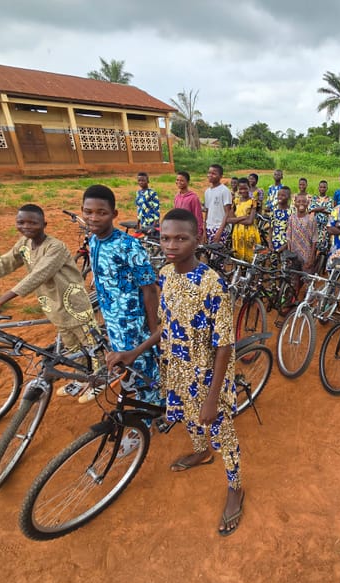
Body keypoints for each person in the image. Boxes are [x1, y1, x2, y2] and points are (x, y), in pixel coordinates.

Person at [106, 208, 244, 536]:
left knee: (221, 431)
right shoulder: (166, 274)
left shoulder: (213, 284)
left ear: (197, 240)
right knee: (189, 419)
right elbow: (168, 325)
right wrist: (134, 351)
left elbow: (224, 345)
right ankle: (201, 453)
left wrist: (212, 397)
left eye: (181, 238)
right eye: (166, 238)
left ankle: (236, 486)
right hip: (177, 368)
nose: (171, 244)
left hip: (209, 375)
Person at [0, 204, 100, 401]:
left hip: (73, 303)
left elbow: (37, 275)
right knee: (71, 345)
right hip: (51, 303)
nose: (26, 226)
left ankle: (99, 378)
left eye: (32, 222)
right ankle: (81, 377)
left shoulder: (55, 247)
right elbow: (3, 263)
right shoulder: (24, 245)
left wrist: (0, 300)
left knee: (90, 343)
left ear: (44, 224)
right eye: (21, 222)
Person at [82, 184, 160, 411]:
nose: (93, 218)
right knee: (124, 363)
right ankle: (135, 394)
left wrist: (152, 327)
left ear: (114, 215)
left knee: (142, 368)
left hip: (133, 323)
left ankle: (149, 415)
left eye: (101, 212)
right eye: (88, 212)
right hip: (112, 319)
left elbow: (149, 288)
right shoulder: (94, 240)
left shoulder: (129, 246)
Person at [229, 177, 260, 261]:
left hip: (249, 232)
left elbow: (250, 221)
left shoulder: (253, 202)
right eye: (240, 189)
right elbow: (229, 220)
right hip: (237, 233)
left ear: (249, 188)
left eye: (245, 188)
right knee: (238, 258)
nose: (243, 191)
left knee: (250, 258)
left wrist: (236, 220)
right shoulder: (235, 201)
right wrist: (243, 217)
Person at [288, 191, 318, 273]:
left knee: (306, 277)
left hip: (307, 254)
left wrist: (311, 257)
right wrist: (289, 255)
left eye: (304, 201)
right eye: (298, 201)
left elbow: (314, 240)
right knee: (294, 277)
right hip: (294, 253)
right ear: (295, 203)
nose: (301, 203)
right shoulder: (291, 218)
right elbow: (289, 238)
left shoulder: (312, 219)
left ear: (307, 203)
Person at [203, 164, 233, 244]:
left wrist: (220, 231)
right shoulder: (207, 192)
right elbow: (207, 211)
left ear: (220, 176)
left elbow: (227, 212)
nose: (210, 175)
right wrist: (204, 230)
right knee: (209, 254)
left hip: (220, 227)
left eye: (214, 173)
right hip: (209, 227)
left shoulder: (224, 191)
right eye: (209, 173)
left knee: (218, 254)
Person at [173, 171, 204, 243]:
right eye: (177, 180)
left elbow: (198, 217)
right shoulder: (177, 197)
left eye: (182, 180)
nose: (179, 182)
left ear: (188, 182)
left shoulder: (193, 198)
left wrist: (198, 233)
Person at [309, 180, 332, 253]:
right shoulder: (314, 198)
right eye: (321, 187)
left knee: (323, 245)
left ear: (327, 188)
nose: (322, 189)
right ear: (318, 188)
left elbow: (330, 211)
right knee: (313, 244)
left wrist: (317, 209)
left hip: (325, 226)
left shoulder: (330, 199)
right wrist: (323, 208)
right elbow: (310, 209)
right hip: (315, 225)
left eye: (324, 187)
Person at [270, 186, 292, 253]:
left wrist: (285, 246)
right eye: (279, 195)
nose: (280, 197)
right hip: (274, 245)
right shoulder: (274, 211)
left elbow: (293, 233)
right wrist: (270, 244)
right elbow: (271, 228)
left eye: (283, 195)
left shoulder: (292, 212)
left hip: (286, 245)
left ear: (288, 197)